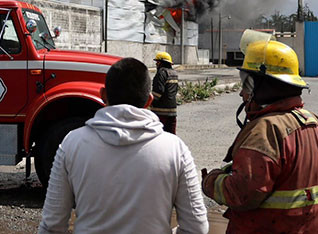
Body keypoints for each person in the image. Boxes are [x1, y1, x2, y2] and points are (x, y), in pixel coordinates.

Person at [39, 57, 208, 234]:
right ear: (149, 101)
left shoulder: (71, 144)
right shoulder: (175, 149)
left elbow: (51, 226)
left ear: (103, 95)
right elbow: (196, 227)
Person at [201, 37, 318, 233]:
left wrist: (211, 180)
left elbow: (241, 193)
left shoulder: (265, 130)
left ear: (264, 85)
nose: (242, 94)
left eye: (247, 85)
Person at [151, 51, 179, 134]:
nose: (156, 64)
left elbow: (158, 91)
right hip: (172, 111)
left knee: (159, 135)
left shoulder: (161, 73)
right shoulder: (174, 73)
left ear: (160, 63)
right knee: (171, 136)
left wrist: (151, 102)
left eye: (157, 62)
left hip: (160, 111)